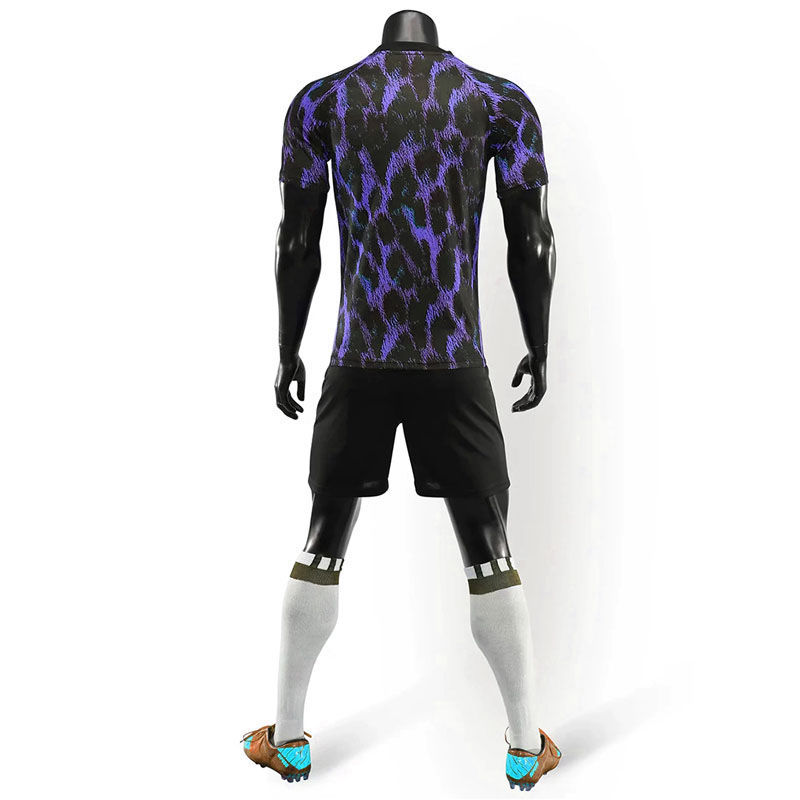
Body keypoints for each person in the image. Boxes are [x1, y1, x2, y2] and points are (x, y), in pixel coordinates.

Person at [241, 11, 560, 790]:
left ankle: (288, 738)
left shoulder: (321, 101)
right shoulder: (498, 101)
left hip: (360, 354)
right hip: (453, 356)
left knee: (323, 537)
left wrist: (286, 349)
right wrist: (539, 343)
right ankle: (525, 747)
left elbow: (296, 242)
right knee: (489, 547)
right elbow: (533, 239)